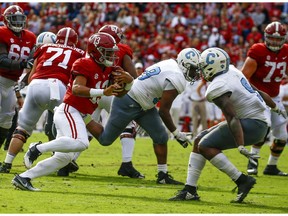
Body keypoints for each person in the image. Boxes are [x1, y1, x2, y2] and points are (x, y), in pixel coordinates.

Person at [12, 32, 131, 191]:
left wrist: (129, 82)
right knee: (81, 142)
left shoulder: (111, 69)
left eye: (112, 52)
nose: (112, 56)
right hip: (69, 109)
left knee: (63, 158)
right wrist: (103, 92)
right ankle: (37, 148)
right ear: (96, 51)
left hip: (80, 113)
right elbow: (76, 89)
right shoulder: (84, 63)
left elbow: (121, 93)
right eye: (107, 52)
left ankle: (23, 178)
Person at [169, 47, 275, 203]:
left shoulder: (217, 87)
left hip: (252, 125)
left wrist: (240, 145)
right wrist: (276, 107)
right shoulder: (233, 70)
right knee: (199, 140)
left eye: (203, 68)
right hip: (258, 122)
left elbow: (232, 117)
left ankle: (241, 180)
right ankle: (190, 190)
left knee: (205, 146)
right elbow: (257, 91)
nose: (202, 72)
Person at [85, 47, 202, 185]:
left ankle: (162, 175)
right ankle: (84, 117)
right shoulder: (177, 78)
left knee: (161, 136)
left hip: (144, 104)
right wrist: (177, 133)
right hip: (128, 101)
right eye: (193, 69)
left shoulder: (170, 63)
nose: (195, 73)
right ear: (184, 64)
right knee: (105, 140)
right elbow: (164, 111)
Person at [61, 24, 144, 178]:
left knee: (87, 125)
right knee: (127, 123)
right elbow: (132, 74)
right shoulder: (122, 49)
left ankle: (68, 161)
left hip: (92, 93)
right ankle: (127, 164)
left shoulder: (90, 50)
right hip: (109, 91)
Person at [0, 28, 85, 174]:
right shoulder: (79, 54)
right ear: (75, 41)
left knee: (23, 128)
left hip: (37, 84)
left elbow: (32, 73)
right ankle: (62, 162)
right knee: (64, 129)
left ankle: (6, 164)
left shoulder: (45, 47)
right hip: (58, 86)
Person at [241, 21, 288, 176]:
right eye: (272, 38)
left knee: (282, 135)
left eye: (278, 39)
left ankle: (271, 167)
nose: (274, 42)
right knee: (263, 128)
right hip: (258, 96)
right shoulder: (258, 50)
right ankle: (252, 162)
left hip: (275, 97)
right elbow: (243, 77)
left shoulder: (286, 51)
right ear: (266, 37)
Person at [0, 5, 36, 172]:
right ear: (7, 20)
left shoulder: (30, 37)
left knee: (7, 122)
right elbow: (1, 59)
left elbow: (32, 59)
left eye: (21, 19)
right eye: (15, 19)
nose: (19, 23)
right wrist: (22, 64)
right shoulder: (2, 33)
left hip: (11, 82)